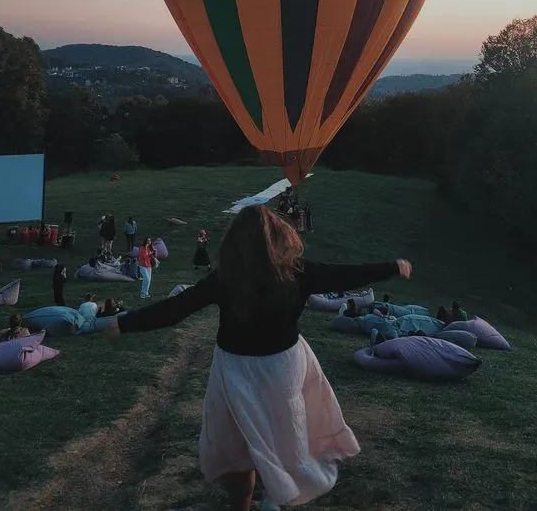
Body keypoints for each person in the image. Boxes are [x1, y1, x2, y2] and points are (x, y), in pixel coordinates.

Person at [103, 204, 412, 511]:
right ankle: (276, 499)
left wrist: (126, 322)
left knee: (238, 446)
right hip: (281, 367)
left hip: (238, 369)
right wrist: (391, 266)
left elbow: (179, 308)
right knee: (283, 436)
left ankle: (253, 503)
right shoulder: (297, 271)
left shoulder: (227, 278)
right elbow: (345, 275)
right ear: (279, 236)